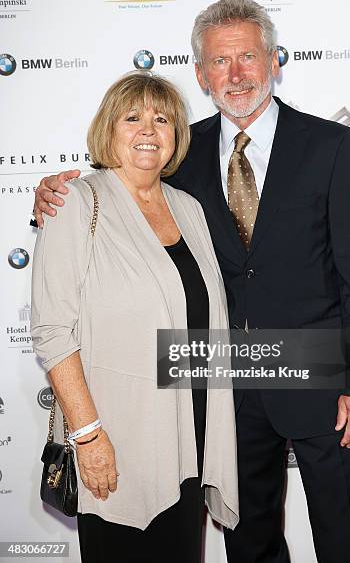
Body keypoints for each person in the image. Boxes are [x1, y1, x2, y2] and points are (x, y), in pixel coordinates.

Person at [33, 0, 350, 563]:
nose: (237, 74)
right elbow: (121, 189)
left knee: (347, 541)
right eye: (221, 62)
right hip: (226, 390)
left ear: (275, 61)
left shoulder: (329, 146)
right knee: (249, 546)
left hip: (323, 381)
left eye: (248, 57)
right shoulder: (182, 152)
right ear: (200, 73)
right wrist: (51, 192)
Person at [31, 72, 239, 563]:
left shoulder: (189, 208)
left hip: (191, 433)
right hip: (117, 438)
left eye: (161, 119)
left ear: (176, 136)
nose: (149, 129)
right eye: (133, 118)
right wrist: (89, 436)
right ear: (110, 129)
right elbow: (52, 332)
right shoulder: (76, 202)